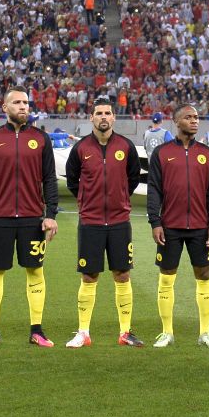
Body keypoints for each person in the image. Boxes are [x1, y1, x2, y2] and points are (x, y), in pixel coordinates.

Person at [0, 88, 59, 349]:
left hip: (33, 219)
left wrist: (51, 214)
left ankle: (37, 331)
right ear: (5, 107)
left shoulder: (41, 138)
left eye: (26, 102)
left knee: (35, 271)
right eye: (17, 102)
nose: (23, 106)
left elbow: (50, 179)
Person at [65, 97, 144, 348]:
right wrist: (87, 200)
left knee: (122, 274)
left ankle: (125, 332)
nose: (103, 117)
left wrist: (120, 198)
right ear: (91, 118)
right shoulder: (80, 148)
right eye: (98, 113)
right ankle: (83, 332)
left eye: (107, 113)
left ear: (113, 117)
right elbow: (72, 181)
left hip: (120, 221)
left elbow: (133, 178)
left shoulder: (126, 146)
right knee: (89, 275)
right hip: (91, 221)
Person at [147, 104, 209, 348]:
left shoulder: (207, 153)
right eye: (188, 117)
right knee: (167, 276)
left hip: (201, 226)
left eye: (196, 117)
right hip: (170, 226)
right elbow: (154, 190)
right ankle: (167, 332)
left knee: (204, 275)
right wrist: (155, 221)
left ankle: (205, 332)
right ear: (176, 121)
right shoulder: (162, 153)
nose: (194, 121)